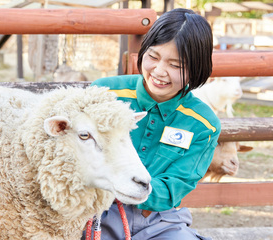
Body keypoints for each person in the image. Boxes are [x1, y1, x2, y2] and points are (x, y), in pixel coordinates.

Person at [82, 8, 221, 240]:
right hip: (98, 211)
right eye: (153, 57)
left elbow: (176, 184)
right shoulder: (104, 92)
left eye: (176, 65)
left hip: (161, 220)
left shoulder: (203, 123)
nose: (159, 71)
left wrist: (127, 187)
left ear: (197, 68)